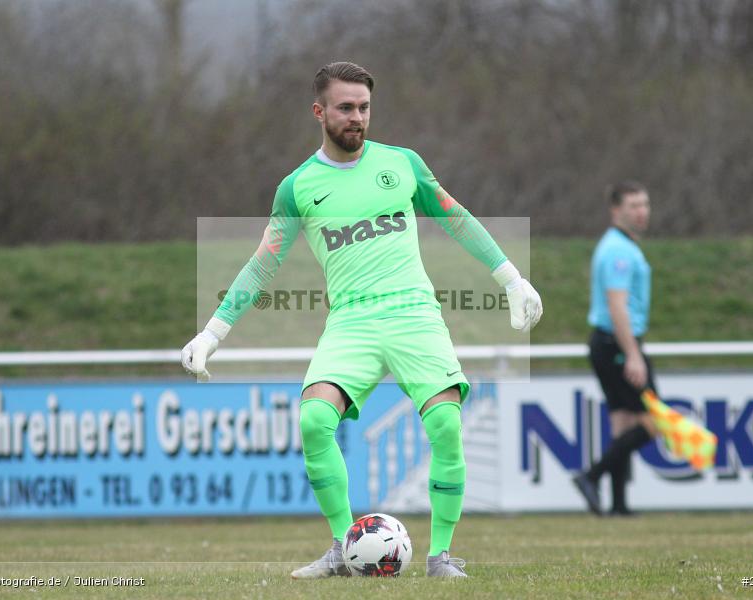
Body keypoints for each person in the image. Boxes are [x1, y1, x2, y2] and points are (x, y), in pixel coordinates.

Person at [181, 62, 542, 577]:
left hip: (414, 314)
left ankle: (441, 557)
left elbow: (455, 217)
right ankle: (340, 549)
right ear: (319, 111)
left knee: (444, 424)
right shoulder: (298, 187)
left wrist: (510, 277)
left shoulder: (403, 164)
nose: (357, 117)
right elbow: (264, 261)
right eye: (346, 108)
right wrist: (213, 332)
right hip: (350, 322)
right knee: (313, 420)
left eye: (364, 107)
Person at [573, 181, 658, 517]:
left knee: (623, 422)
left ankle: (619, 505)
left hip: (610, 343)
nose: (641, 212)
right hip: (618, 343)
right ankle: (590, 476)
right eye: (633, 206)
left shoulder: (620, 245)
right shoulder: (619, 251)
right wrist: (633, 354)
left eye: (645, 204)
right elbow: (617, 305)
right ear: (615, 210)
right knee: (653, 423)